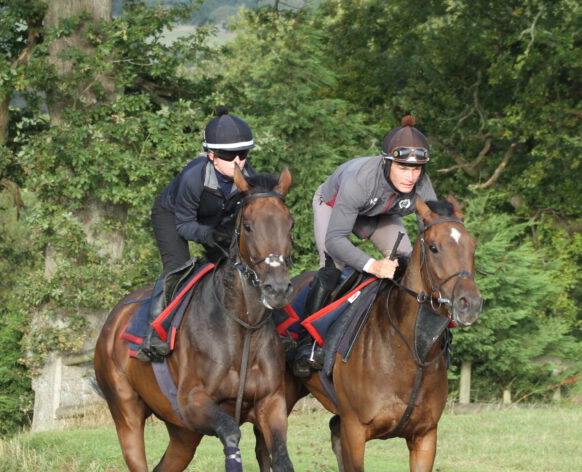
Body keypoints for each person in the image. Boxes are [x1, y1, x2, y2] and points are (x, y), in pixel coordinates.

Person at [291, 115, 438, 377]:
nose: (411, 177)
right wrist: (373, 265)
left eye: (417, 169)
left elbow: (432, 228)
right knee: (333, 268)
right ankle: (306, 343)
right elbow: (335, 240)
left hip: (379, 213)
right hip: (333, 206)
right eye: (403, 168)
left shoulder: (422, 183)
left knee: (408, 261)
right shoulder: (359, 181)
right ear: (386, 162)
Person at [139, 106, 256, 361]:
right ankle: (154, 332)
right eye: (229, 155)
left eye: (243, 153)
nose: (238, 161)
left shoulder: (249, 178)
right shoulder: (193, 177)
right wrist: (211, 235)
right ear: (212, 156)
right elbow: (184, 225)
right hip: (173, 216)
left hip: (214, 219)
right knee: (177, 267)